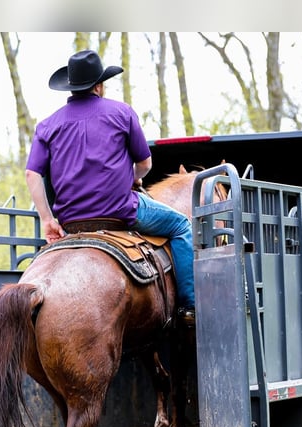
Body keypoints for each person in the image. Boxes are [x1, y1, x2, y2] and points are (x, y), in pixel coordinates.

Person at [25, 49, 195, 326]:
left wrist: (48, 220)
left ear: (70, 86)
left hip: (72, 222)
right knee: (181, 226)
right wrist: (130, 178)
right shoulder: (121, 112)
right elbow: (145, 164)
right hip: (121, 212)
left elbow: (32, 174)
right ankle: (189, 307)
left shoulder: (47, 125)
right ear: (99, 85)